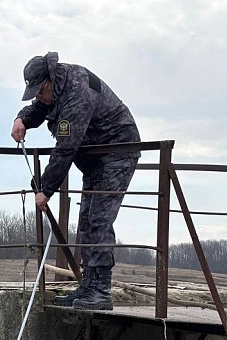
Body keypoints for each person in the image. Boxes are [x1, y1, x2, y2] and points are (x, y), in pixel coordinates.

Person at [11, 52, 140, 311]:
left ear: (50, 80)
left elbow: (66, 147)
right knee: (87, 221)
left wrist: (46, 190)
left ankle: (100, 291)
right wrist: (21, 119)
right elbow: (39, 108)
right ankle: (88, 286)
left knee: (99, 220)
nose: (39, 97)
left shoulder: (77, 91)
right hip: (94, 159)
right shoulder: (55, 88)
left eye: (40, 91)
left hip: (117, 152)